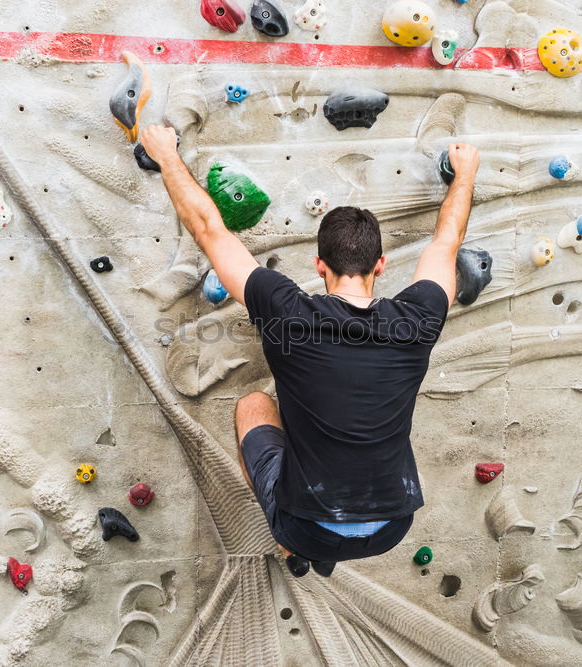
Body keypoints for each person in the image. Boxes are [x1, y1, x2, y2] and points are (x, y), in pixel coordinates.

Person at [140, 125, 479, 577]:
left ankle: (292, 546)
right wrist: (464, 174)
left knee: (254, 405)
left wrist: (165, 155)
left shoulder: (286, 312)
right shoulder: (420, 318)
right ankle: (315, 552)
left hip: (307, 529)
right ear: (380, 265)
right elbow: (446, 242)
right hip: (392, 527)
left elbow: (209, 231)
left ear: (319, 265)